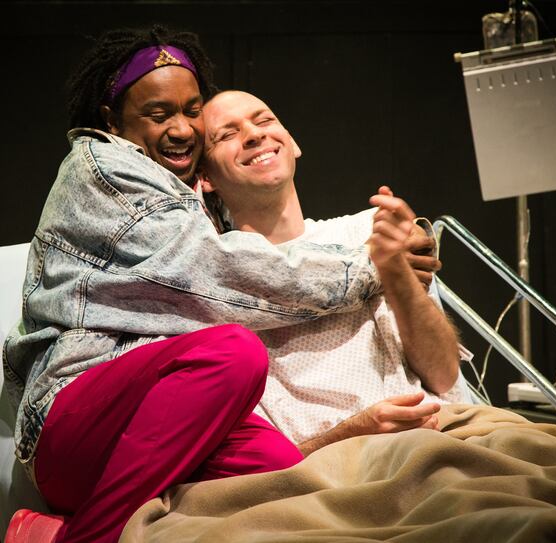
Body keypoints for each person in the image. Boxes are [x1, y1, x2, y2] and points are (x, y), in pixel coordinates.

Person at [2, 26, 389, 543]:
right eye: (159, 114)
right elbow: (217, 274)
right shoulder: (104, 168)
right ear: (112, 120)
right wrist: (375, 267)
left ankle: (49, 532)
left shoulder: (188, 194)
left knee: (282, 479)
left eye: (192, 110)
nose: (183, 128)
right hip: (72, 423)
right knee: (233, 353)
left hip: (149, 428)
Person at [198, 90, 473, 455]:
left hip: (439, 437)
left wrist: (396, 275)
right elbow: (257, 459)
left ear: (292, 143)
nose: (254, 134)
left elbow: (443, 376)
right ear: (205, 178)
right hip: (328, 468)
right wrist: (352, 434)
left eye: (264, 120)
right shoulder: (216, 282)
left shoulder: (369, 231)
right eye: (227, 135)